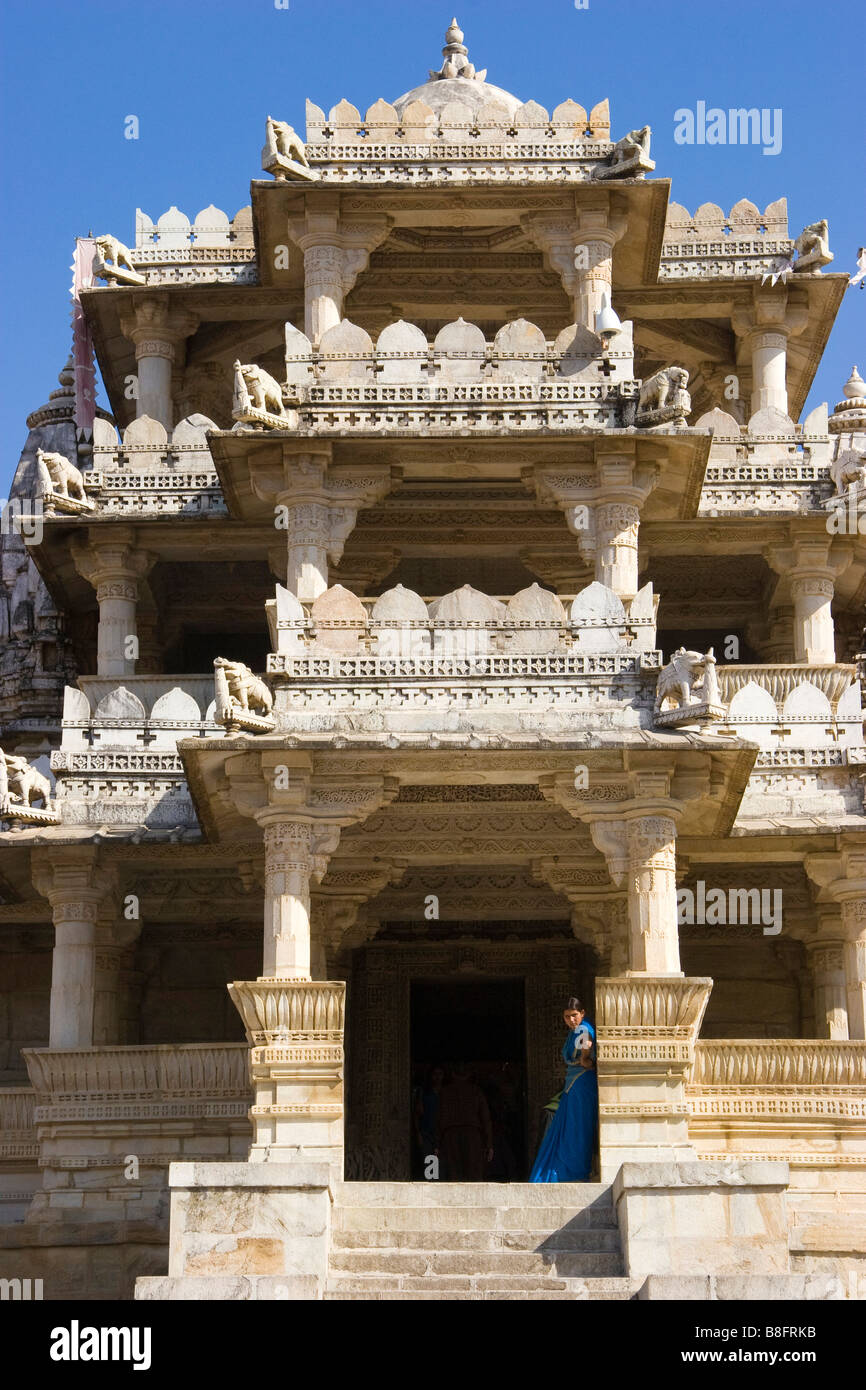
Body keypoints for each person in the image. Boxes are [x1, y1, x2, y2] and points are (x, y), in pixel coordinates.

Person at [529, 997, 598, 1183]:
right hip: (573, 1084)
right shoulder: (574, 1031)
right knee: (571, 1127)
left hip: (581, 1083)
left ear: (582, 1014)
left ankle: (573, 1171)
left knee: (577, 1127)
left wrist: (584, 1058)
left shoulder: (583, 1029)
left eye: (574, 1015)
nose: (571, 1020)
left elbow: (586, 1043)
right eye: (567, 1017)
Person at [436, 1062, 493, 1181]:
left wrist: (437, 1143)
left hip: (450, 1135)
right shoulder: (476, 1091)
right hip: (472, 1135)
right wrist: (489, 1144)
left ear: (452, 1075)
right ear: (469, 1075)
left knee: (454, 1174)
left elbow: (440, 1118)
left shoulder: (445, 1092)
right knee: (474, 1174)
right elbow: (486, 1119)